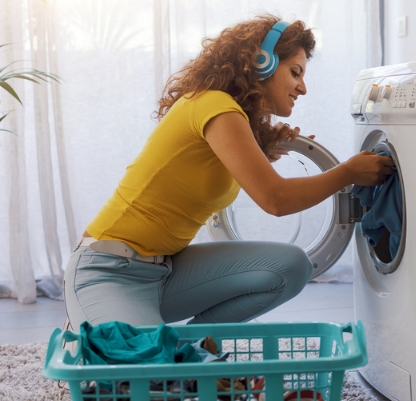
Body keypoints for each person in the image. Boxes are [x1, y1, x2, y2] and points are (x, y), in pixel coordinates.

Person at [63, 14, 394, 329]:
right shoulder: (217, 106)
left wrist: (262, 150)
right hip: (109, 271)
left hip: (166, 273)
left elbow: (205, 169)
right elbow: (275, 200)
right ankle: (94, 325)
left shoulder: (231, 117)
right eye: (295, 72)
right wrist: (348, 172)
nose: (302, 87)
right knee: (149, 381)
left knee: (293, 267)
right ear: (262, 62)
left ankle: (198, 348)